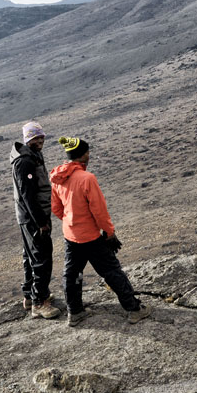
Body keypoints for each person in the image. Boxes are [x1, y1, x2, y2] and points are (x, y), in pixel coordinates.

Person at [49, 136, 149, 326]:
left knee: (71, 274)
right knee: (111, 271)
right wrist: (109, 232)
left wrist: (72, 221)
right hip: (92, 237)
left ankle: (75, 312)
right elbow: (99, 211)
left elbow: (56, 208)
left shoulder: (57, 177)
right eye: (88, 152)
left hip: (71, 236)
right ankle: (134, 309)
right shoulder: (87, 178)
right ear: (84, 154)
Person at [10, 121, 61, 319]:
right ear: (28, 139)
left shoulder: (32, 156)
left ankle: (31, 296)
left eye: (41, 137)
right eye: (35, 138)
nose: (40, 141)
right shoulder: (25, 162)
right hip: (33, 218)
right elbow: (28, 195)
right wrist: (41, 222)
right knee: (41, 257)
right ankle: (40, 302)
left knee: (30, 256)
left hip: (29, 216)